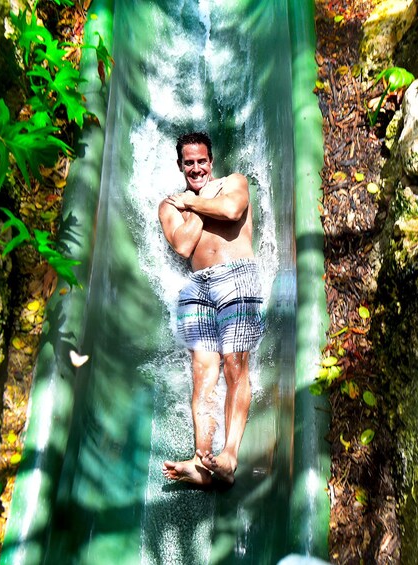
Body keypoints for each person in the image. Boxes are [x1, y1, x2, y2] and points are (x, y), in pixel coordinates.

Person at [158, 131, 264, 486]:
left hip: (237, 274)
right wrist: (198, 202)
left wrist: (193, 202)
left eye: (202, 160)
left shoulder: (234, 182)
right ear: (180, 166)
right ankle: (202, 461)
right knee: (203, 373)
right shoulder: (169, 206)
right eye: (189, 163)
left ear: (211, 161)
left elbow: (232, 209)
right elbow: (185, 245)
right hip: (197, 287)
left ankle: (229, 457)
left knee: (235, 362)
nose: (196, 167)